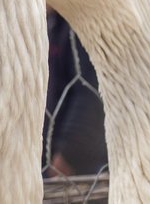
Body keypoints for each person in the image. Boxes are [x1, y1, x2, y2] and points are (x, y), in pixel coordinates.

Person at [42, 10, 108, 177]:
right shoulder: (53, 24)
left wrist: (68, 155)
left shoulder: (80, 24)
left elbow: (91, 94)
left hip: (82, 166)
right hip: (53, 158)